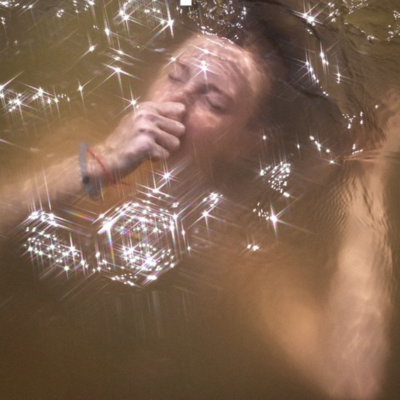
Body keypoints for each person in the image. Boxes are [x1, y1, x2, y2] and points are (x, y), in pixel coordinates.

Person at [0, 31, 397, 400]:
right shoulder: (78, 141)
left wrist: (367, 183)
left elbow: (349, 380)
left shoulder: (231, 247)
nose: (174, 103)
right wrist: (99, 163)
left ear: (246, 142)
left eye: (213, 102)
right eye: (175, 75)